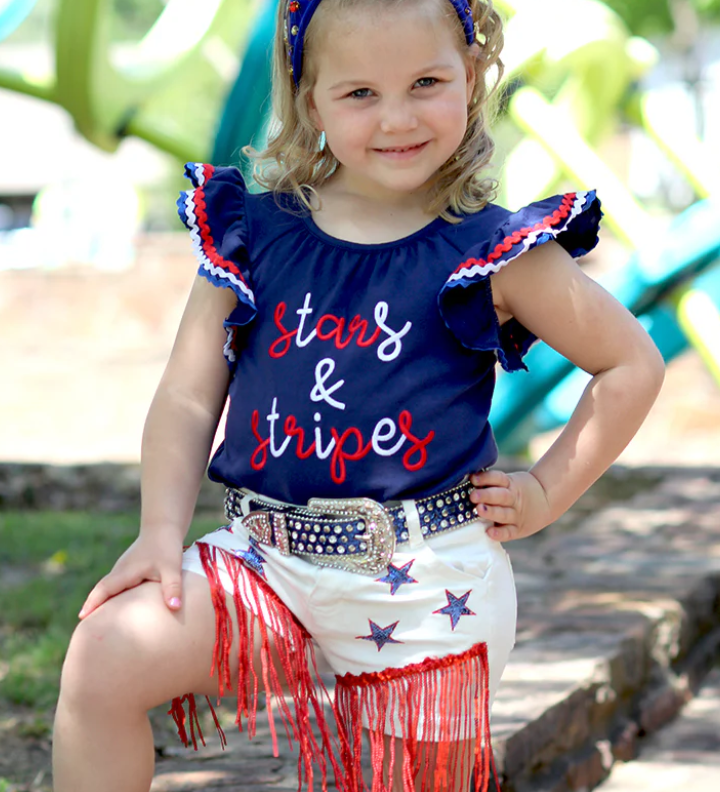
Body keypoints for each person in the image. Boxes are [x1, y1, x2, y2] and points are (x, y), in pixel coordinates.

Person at [52, 1, 665, 791]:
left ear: (472, 76)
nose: (397, 117)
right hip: (262, 558)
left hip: (425, 588)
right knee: (104, 655)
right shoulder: (253, 233)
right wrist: (159, 534)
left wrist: (545, 490)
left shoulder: (493, 249)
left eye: (426, 82)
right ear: (311, 101)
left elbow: (631, 365)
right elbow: (185, 396)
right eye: (360, 94)